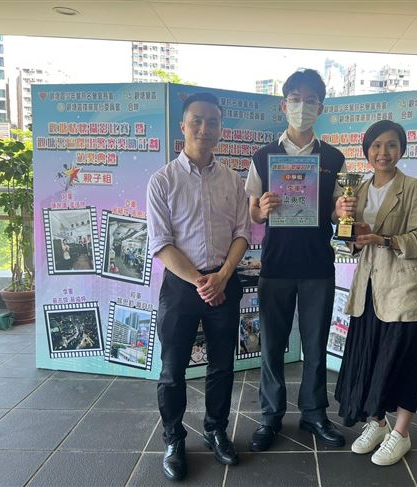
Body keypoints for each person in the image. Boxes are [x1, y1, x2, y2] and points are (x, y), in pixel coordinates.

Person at [245, 69, 352, 451]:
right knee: (272, 347)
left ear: (320, 108)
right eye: (295, 99)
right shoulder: (263, 157)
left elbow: (339, 213)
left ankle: (314, 413)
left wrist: (342, 210)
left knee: (315, 345)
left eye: (310, 101)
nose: (302, 107)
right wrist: (262, 208)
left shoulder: (333, 158)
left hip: (317, 265)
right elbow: (253, 213)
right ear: (283, 104)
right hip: (275, 265)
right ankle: (270, 416)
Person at [146, 92, 250, 481]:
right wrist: (200, 282)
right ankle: (174, 439)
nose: (205, 129)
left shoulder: (233, 181)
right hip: (181, 288)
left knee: (222, 365)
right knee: (173, 370)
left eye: (213, 122)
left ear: (221, 128)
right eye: (197, 121)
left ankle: (216, 430)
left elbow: (242, 233)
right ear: (183, 126)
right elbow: (161, 243)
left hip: (224, 282)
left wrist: (221, 277)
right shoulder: (162, 181)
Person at [334, 120, 417, 466]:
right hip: (368, 290)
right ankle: (376, 423)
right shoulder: (358, 189)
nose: (383, 152)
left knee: (401, 363)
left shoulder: (413, 188)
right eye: (376, 145)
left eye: (391, 145)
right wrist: (347, 226)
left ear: (401, 149)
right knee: (371, 358)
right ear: (367, 150)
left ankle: (401, 434)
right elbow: (350, 243)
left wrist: (383, 239)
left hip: (402, 289)